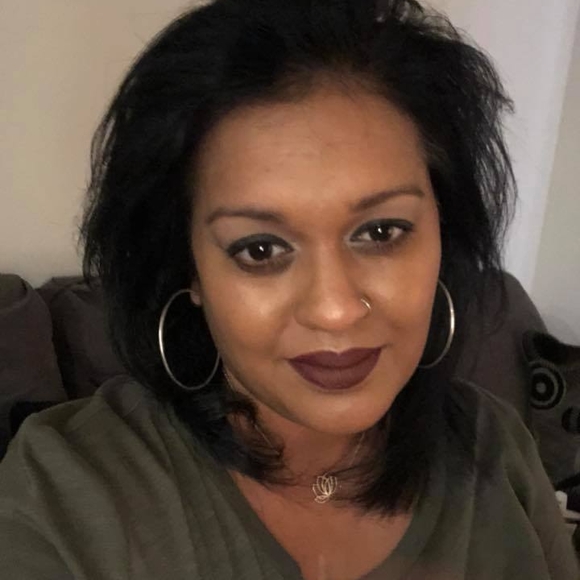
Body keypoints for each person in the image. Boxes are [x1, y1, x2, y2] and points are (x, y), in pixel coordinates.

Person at [0, 0, 577, 578]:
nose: (335, 310)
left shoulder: (496, 451)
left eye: (381, 232)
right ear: (188, 268)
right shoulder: (63, 494)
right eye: (260, 250)